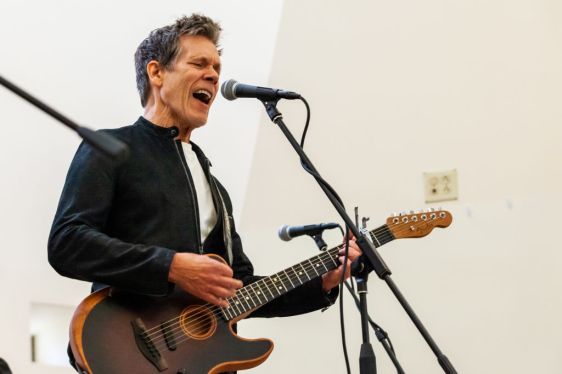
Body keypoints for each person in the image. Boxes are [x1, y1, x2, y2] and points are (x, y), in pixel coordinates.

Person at [48, 13, 360, 371]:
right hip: (125, 351)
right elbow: (67, 243)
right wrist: (171, 266)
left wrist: (321, 281)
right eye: (199, 63)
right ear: (157, 73)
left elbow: (238, 289)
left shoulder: (215, 189)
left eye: (216, 66)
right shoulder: (111, 147)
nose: (213, 74)